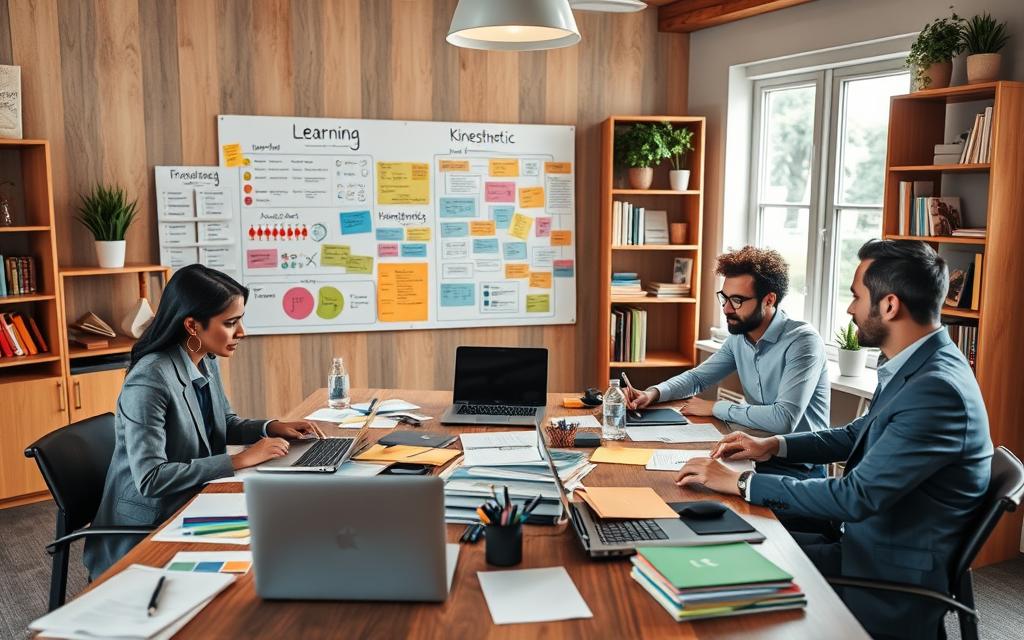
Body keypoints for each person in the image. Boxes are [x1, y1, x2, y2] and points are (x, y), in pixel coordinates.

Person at [675, 239, 992, 640]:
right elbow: (857, 434)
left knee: (712, 559)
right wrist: (772, 445)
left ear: (890, 305)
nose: (849, 308)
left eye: (857, 296)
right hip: (864, 547)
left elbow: (854, 497)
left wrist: (741, 481)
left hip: (881, 577)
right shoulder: (920, 363)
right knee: (713, 526)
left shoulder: (936, 389)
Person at [84, 265, 317, 579]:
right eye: (231, 323)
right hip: (149, 527)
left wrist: (271, 426)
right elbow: (151, 478)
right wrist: (240, 459)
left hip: (193, 500)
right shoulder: (150, 380)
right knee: (268, 542)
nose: (242, 332)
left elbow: (223, 422)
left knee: (283, 521)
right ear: (192, 325)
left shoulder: (204, 358)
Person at [624, 246, 829, 482]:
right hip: (753, 451)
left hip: (798, 467)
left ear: (769, 300)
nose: (726, 308)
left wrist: (714, 407)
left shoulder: (803, 342)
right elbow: (697, 378)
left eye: (737, 300)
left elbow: (783, 419)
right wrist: (653, 393)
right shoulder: (740, 337)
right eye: (724, 297)